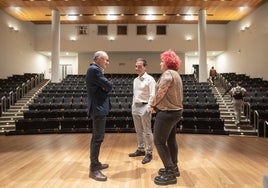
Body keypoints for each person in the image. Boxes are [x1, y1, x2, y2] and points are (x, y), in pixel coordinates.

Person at [148, 49, 183, 186]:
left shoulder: (168, 74)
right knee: (171, 139)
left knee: (159, 142)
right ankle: (174, 167)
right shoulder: (177, 75)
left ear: (168, 62)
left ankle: (170, 173)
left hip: (167, 113)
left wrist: (152, 105)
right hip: (176, 112)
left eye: (162, 61)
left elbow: (161, 91)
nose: (161, 63)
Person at [85, 51, 113, 181]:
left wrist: (104, 87)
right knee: (97, 138)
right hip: (98, 108)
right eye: (106, 60)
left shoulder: (95, 70)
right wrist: (105, 87)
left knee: (97, 138)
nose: (107, 62)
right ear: (99, 59)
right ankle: (93, 169)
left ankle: (96, 164)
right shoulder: (94, 70)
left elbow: (105, 87)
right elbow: (109, 85)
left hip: (98, 107)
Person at [128, 58, 156, 164]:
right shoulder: (135, 80)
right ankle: (140, 149)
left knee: (147, 132)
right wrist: (132, 105)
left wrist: (149, 106)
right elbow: (135, 94)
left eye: (139, 66)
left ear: (145, 67)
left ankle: (149, 152)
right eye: (136, 66)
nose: (137, 68)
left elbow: (153, 94)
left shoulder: (150, 79)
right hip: (135, 106)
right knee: (138, 131)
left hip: (145, 107)